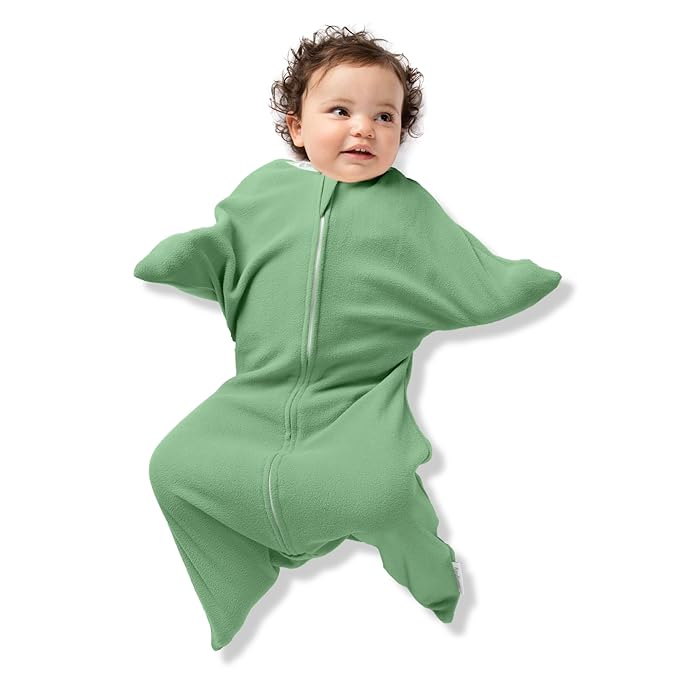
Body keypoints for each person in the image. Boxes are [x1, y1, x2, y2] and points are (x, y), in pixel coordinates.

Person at [134, 25, 562, 651]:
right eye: (340, 111)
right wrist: (182, 258)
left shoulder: (408, 208)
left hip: (356, 404)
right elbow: (226, 250)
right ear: (297, 127)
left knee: (378, 492)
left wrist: (514, 282)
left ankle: (428, 570)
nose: (364, 128)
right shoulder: (263, 191)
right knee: (174, 466)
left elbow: (466, 269)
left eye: (384, 117)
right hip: (257, 395)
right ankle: (240, 573)